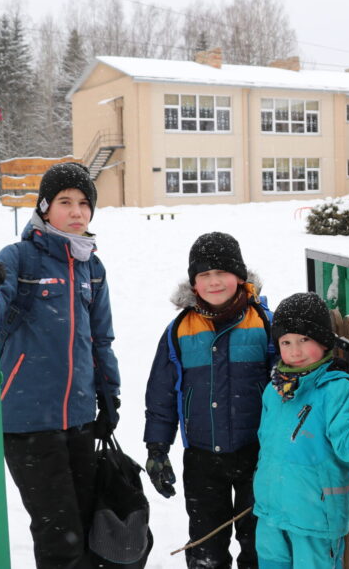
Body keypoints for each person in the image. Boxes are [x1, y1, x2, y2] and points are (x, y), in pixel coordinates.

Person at [0, 162, 121, 569]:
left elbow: (101, 339)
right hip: (27, 421)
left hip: (80, 417)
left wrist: (109, 397)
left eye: (84, 203)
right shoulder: (20, 258)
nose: (77, 212)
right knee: (58, 531)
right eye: (65, 202)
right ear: (45, 208)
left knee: (83, 525)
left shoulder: (91, 267)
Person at [143, 231, 273, 569]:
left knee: (258, 543)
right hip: (202, 459)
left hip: (256, 456)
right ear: (194, 283)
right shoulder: (180, 331)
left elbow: (288, 380)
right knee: (205, 547)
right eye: (204, 275)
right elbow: (161, 395)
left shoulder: (264, 325)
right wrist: (157, 449)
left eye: (222, 273)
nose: (214, 282)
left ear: (240, 277)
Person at [252, 292, 349, 569]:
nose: (295, 350)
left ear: (323, 340)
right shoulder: (274, 390)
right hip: (271, 512)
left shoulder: (335, 388)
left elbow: (348, 447)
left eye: (304, 340)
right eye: (286, 342)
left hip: (314, 516)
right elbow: (265, 444)